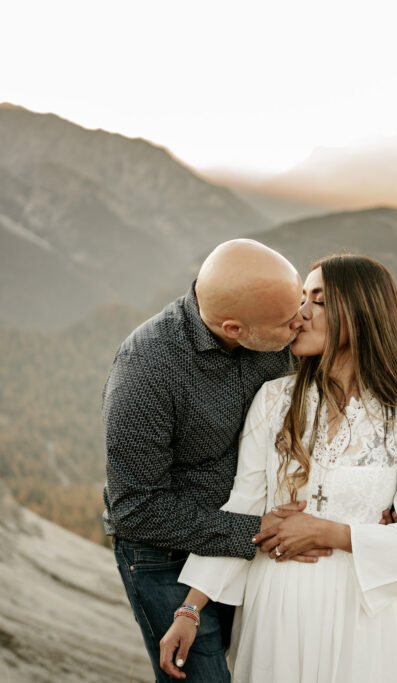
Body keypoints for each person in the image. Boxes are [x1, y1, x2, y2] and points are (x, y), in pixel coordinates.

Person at [159, 253, 397, 682]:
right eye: (301, 297)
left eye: (316, 302)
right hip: (276, 606)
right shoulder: (273, 401)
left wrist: (332, 533)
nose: (298, 315)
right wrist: (190, 609)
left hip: (359, 615)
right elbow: (244, 507)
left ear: (358, 317)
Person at [102, 239, 319, 683]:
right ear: (234, 328)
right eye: (286, 321)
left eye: (298, 303)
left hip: (248, 539)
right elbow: (134, 507)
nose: (300, 322)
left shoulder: (273, 322)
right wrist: (258, 531)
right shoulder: (147, 370)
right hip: (165, 556)